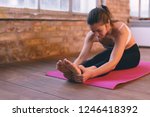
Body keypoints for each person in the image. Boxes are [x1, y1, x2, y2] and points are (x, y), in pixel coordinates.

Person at [56, 5, 140, 83]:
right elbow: (82, 57)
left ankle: (84, 71)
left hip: (131, 54)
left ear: (107, 24)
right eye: (93, 31)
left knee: (106, 62)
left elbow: (113, 63)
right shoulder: (91, 35)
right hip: (112, 52)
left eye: (99, 30)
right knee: (94, 60)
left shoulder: (120, 31)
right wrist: (73, 66)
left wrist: (91, 74)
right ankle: (75, 71)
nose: (96, 34)